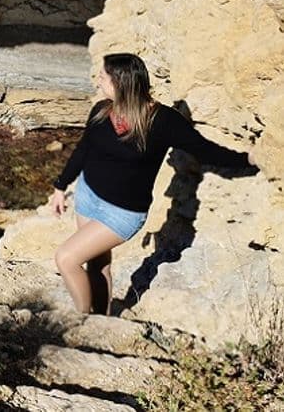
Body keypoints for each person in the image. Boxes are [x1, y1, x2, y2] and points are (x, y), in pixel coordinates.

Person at [47, 52, 258, 315]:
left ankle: (82, 320)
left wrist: (249, 159)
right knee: (97, 263)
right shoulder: (102, 111)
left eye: (103, 77)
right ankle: (102, 318)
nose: (98, 80)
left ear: (121, 84)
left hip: (121, 214)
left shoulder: (163, 121)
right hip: (88, 197)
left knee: (66, 259)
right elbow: (84, 150)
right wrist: (60, 186)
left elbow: (205, 150)